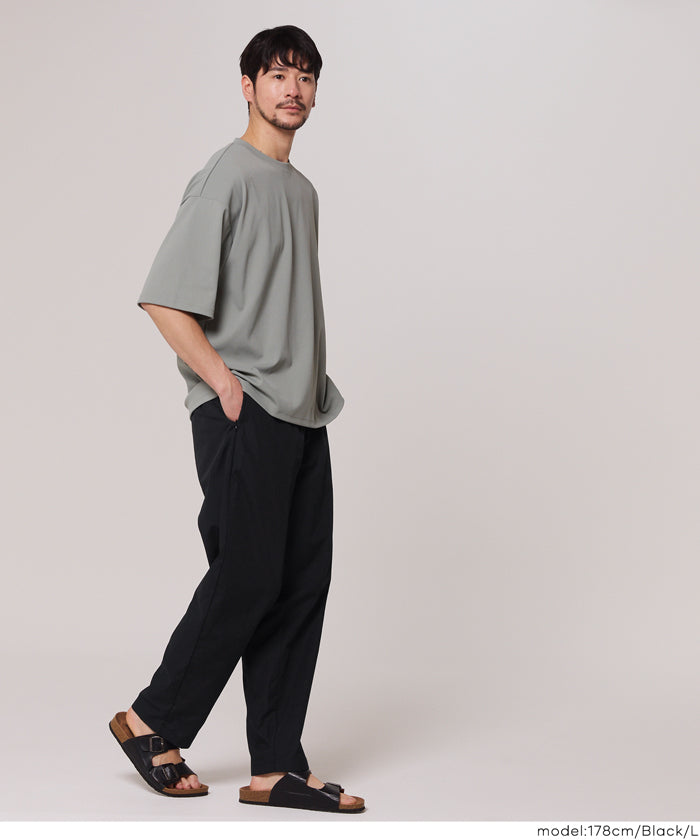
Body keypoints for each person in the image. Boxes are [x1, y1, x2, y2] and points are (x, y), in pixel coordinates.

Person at [109, 24, 365, 814]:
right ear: (248, 86)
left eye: (306, 77)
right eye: (279, 74)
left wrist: (304, 394)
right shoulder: (226, 175)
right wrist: (223, 383)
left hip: (302, 412)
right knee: (249, 574)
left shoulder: (302, 191)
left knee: (300, 582)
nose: (294, 89)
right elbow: (164, 297)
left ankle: (275, 765)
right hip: (244, 408)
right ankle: (153, 719)